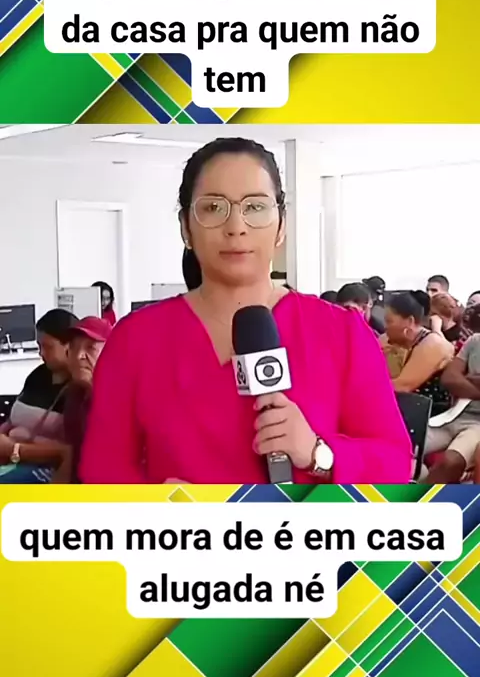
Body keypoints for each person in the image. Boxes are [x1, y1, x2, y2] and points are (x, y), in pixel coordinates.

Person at [79, 138, 411, 486]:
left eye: (255, 207)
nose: (236, 226)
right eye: (213, 207)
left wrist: (318, 453)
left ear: (281, 225)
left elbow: (394, 463)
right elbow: (102, 468)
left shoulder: (342, 332)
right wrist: (153, 503)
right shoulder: (136, 338)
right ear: (185, 227)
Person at [0, 308, 78, 483]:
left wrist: (14, 449)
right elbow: (13, 417)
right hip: (12, 459)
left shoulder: (76, 389)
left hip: (44, 468)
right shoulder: (38, 376)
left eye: (48, 347)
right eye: (39, 346)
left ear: (69, 346)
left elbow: (67, 451)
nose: (41, 353)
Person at [423, 304, 480, 483]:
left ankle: (416, 499)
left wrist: (466, 380)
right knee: (403, 444)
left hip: (477, 425)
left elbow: (456, 378)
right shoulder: (475, 341)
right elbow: (449, 378)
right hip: (455, 415)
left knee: (450, 462)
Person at [382, 291, 454, 415]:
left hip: (431, 416)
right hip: (410, 410)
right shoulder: (401, 343)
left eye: (389, 321)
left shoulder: (432, 344)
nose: (385, 327)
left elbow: (403, 386)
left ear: (410, 321)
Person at [62, 316, 113, 482]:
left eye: (90, 347)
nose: (79, 356)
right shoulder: (75, 395)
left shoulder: (124, 402)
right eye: (73, 347)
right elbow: (73, 455)